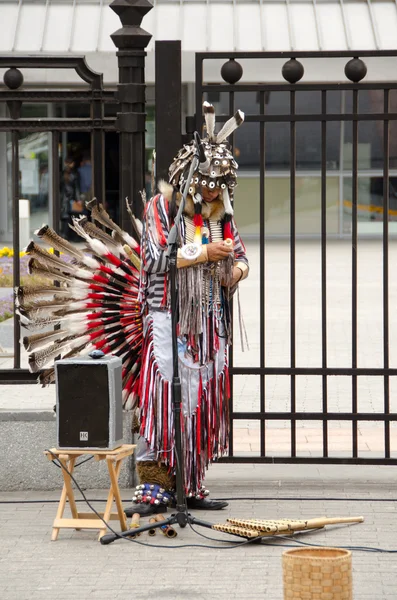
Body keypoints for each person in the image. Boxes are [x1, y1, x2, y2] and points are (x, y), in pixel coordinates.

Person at [125, 102, 249, 516]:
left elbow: (241, 253)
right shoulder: (161, 209)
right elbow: (156, 258)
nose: (213, 193)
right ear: (189, 178)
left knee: (200, 398)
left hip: (210, 318)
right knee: (165, 396)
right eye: (207, 184)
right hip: (168, 316)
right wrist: (204, 253)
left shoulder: (221, 216)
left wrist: (238, 269)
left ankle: (190, 481)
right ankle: (155, 487)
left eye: (220, 185)